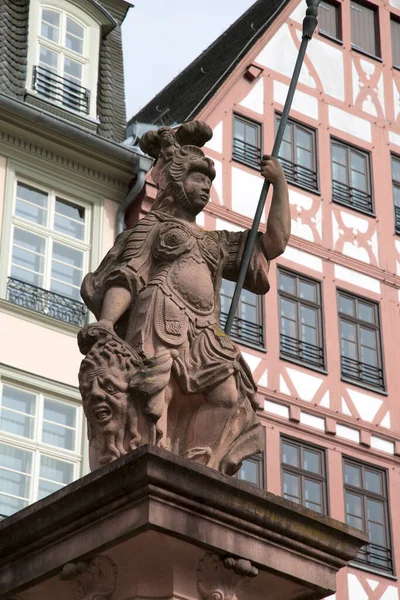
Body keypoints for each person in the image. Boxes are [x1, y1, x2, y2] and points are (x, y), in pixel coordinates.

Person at [79, 120, 290, 474]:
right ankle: (154, 462)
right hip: (161, 316)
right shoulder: (155, 226)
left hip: (205, 332)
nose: (206, 187)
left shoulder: (216, 241)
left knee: (228, 396)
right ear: (176, 181)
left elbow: (274, 243)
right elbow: (128, 275)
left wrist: (280, 184)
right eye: (198, 179)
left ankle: (198, 465)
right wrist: (107, 322)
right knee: (155, 399)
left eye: (209, 181)